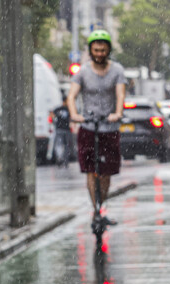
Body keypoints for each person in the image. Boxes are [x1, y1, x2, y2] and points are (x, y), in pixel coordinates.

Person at [66, 29, 126, 231]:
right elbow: (72, 96)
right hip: (88, 127)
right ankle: (96, 208)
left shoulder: (117, 71)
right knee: (91, 171)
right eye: (96, 50)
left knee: (107, 171)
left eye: (103, 50)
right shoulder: (82, 72)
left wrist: (117, 113)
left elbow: (120, 95)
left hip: (109, 126)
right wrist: (75, 114)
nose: (99, 53)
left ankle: (103, 204)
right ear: (90, 51)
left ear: (108, 50)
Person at [52, 92, 72, 167]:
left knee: (59, 145)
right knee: (66, 146)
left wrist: (54, 121)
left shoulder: (58, 109)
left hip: (59, 129)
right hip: (66, 129)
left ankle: (60, 158)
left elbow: (52, 115)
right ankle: (65, 161)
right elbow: (71, 118)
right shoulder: (68, 109)